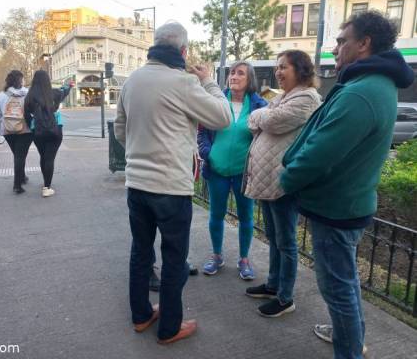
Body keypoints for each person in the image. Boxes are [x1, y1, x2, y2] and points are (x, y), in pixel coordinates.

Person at [280, 10, 414, 358]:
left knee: (337, 289)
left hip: (337, 209)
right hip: (347, 205)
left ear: (364, 44)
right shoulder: (366, 84)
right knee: (347, 283)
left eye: (342, 41)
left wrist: (287, 178)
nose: (335, 49)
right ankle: (350, 334)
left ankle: (349, 347)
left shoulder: (362, 92)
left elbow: (319, 153)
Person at [114, 21, 231, 344]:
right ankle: (169, 328)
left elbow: (120, 130)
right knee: (174, 257)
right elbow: (223, 117)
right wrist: (208, 81)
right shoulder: (184, 82)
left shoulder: (132, 80)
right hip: (170, 187)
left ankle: (141, 316)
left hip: (137, 184)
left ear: (154, 46)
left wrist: (141, 153)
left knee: (141, 252)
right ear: (182, 51)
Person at [243, 50, 321, 317]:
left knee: (286, 242)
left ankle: (285, 297)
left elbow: (270, 121)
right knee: (273, 238)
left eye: (283, 67)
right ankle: (273, 284)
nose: (278, 72)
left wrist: (260, 116)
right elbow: (253, 122)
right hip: (268, 179)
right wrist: (260, 117)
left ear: (300, 70)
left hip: (283, 182)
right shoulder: (285, 97)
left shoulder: (307, 98)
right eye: (277, 67)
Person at [197, 61, 267, 279]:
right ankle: (216, 256)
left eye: (240, 73)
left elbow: (265, 137)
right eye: (232, 73)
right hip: (217, 169)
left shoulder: (259, 105)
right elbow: (202, 131)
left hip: (244, 173)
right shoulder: (217, 102)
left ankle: (244, 259)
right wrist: (207, 152)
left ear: (250, 79)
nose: (234, 77)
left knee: (246, 216)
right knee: (216, 214)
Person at [24, 70, 71, 197]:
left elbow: (26, 115)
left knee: (43, 156)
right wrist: (69, 86)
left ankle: (46, 181)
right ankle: (47, 187)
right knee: (50, 158)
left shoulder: (29, 96)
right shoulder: (54, 93)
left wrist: (32, 127)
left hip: (38, 131)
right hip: (54, 129)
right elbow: (65, 92)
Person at [0, 70, 32, 194]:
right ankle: (17, 184)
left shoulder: (1, 96)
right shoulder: (27, 94)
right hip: (25, 130)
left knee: (17, 155)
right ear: (20, 80)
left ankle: (22, 176)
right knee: (21, 155)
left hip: (7, 130)